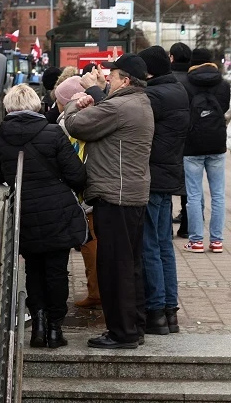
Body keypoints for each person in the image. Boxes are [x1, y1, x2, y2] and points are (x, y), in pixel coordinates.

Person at [0, 84, 88, 349]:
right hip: (57, 212)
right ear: (36, 106)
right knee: (56, 271)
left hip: (25, 213)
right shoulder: (53, 133)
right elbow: (77, 175)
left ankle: (38, 326)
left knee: (33, 269)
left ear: (8, 107)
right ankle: (55, 329)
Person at [64, 54, 154, 349]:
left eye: (111, 77)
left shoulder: (119, 106)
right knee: (131, 265)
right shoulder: (138, 102)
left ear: (125, 81)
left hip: (115, 197)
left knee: (114, 266)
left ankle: (122, 333)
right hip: (130, 195)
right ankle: (134, 327)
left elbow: (76, 126)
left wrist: (74, 103)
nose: (106, 80)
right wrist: (98, 95)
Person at [138, 46, 189, 335]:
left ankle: (155, 311)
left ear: (148, 71)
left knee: (149, 247)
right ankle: (170, 311)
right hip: (169, 175)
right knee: (164, 245)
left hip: (152, 176)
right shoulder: (178, 90)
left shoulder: (153, 96)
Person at [54, 76, 101, 309]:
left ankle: (96, 292)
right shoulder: (95, 116)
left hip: (83, 192)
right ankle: (97, 289)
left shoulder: (67, 123)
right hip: (95, 188)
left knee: (90, 244)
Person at [182, 47, 230, 255]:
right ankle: (217, 241)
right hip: (217, 142)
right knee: (218, 194)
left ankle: (196, 241)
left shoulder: (185, 83)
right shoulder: (225, 85)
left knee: (193, 194)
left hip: (191, 144)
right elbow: (225, 108)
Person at [170, 41, 193, 237]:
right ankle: (187, 226)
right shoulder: (194, 79)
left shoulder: (168, 80)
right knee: (190, 186)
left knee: (164, 184)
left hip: (169, 139)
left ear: (171, 58)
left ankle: (164, 228)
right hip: (192, 139)